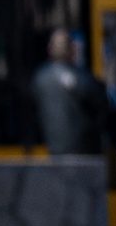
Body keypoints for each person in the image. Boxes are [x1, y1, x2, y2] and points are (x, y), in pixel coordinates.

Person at [29, 28, 106, 160]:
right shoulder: (83, 78)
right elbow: (102, 105)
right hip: (85, 155)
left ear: (50, 49)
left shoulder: (39, 78)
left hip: (54, 153)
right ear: (73, 50)